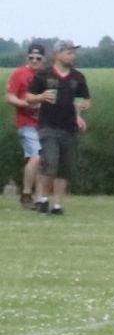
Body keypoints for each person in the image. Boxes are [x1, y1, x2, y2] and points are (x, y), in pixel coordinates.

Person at [29, 39, 87, 215]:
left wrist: (79, 114)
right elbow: (28, 97)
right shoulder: (43, 75)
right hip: (48, 126)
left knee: (64, 168)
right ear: (58, 54)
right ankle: (44, 199)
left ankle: (57, 205)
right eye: (69, 52)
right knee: (50, 163)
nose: (72, 56)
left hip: (69, 128)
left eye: (73, 52)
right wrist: (40, 97)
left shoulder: (77, 77)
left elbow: (84, 99)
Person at [10, 41, 43, 209]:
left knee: (39, 160)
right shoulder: (19, 74)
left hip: (44, 123)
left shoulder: (47, 76)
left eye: (38, 58)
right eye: (32, 57)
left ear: (43, 59)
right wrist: (25, 104)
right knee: (36, 156)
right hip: (26, 122)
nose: (35, 60)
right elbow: (9, 96)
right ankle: (26, 193)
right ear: (27, 57)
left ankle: (38, 198)